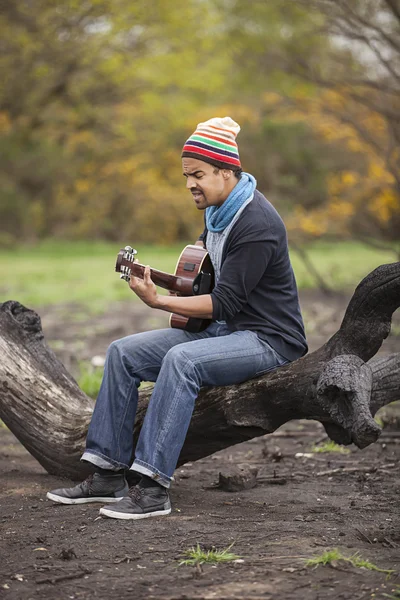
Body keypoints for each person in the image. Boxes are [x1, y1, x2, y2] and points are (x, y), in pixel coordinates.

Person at [47, 116, 307, 520]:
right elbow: (207, 280)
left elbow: (223, 302)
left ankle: (152, 488)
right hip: (224, 331)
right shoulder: (218, 210)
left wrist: (160, 303)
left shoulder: (256, 223)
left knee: (181, 361)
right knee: (121, 352)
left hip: (267, 339)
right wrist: (177, 288)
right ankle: (107, 473)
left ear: (226, 172)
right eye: (186, 175)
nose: (189, 184)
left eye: (198, 175)